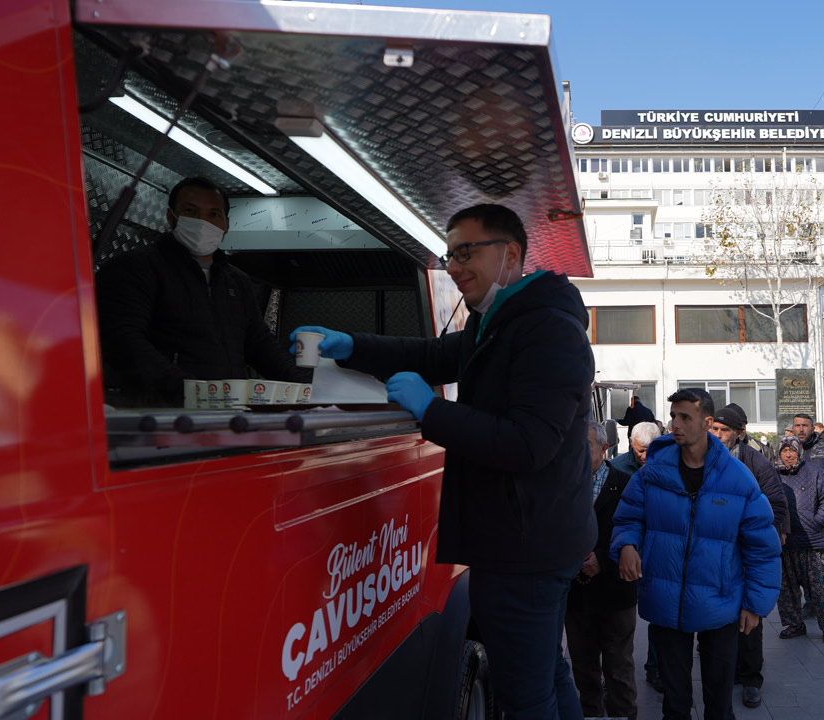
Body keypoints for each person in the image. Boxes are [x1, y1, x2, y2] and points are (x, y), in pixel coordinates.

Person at [292, 203, 595, 719]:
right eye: (449, 254)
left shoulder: (547, 330)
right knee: (545, 673)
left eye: (466, 252)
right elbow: (431, 355)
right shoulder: (499, 322)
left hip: (525, 551)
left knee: (525, 695)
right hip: (526, 539)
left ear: (511, 254)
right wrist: (350, 347)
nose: (453, 266)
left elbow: (528, 445)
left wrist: (432, 410)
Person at [612, 389, 781, 720]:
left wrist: (755, 604)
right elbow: (628, 517)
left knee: (718, 704)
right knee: (674, 703)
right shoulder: (653, 473)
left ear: (706, 422)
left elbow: (763, 548)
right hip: (665, 600)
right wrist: (627, 545)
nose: (675, 424)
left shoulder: (738, 479)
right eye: (673, 416)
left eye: (685, 417)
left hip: (720, 603)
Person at [96, 176, 310, 406]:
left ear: (226, 224)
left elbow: (260, 343)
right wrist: (189, 390)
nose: (202, 221)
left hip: (224, 412)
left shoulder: (237, 281)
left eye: (213, 214)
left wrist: (307, 391)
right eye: (191, 211)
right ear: (172, 216)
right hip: (157, 413)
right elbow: (123, 340)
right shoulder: (136, 267)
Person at [709, 403, 790, 709]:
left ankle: (751, 679)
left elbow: (777, 505)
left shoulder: (755, 462)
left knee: (749, 620)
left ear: (739, 434)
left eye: (724, 430)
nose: (717, 435)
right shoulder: (698, 459)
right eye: (713, 428)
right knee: (718, 621)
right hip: (712, 554)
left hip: (744, 553)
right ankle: (725, 673)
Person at [566, 421, 638, 719]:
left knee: (618, 668)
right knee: (583, 670)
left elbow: (636, 531)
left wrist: (603, 560)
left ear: (604, 448)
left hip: (615, 593)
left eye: (587, 446)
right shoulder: (562, 485)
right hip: (575, 595)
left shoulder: (626, 484)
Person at [774, 436, 824, 645]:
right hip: (785, 544)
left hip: (812, 542)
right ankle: (794, 624)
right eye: (784, 450)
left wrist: (818, 521)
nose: (788, 454)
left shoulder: (814, 472)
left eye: (791, 450)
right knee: (787, 590)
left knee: (819, 589)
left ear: (799, 452)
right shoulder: (774, 475)